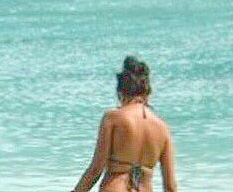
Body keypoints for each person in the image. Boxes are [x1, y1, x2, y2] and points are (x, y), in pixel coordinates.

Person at [70, 56, 178, 192]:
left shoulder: (113, 118)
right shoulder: (162, 128)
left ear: (121, 92)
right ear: (147, 92)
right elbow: (170, 186)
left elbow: (96, 169)